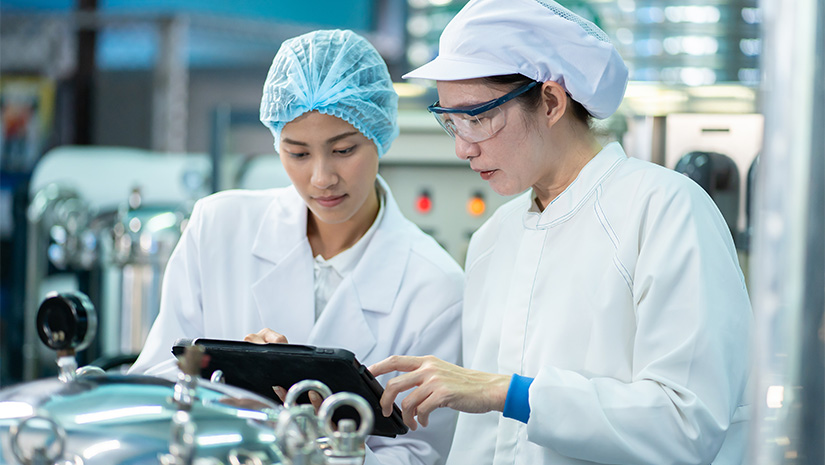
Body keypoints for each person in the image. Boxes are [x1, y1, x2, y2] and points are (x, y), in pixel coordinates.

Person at [368, 1, 753, 464]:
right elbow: (484, 441)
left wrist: (509, 392)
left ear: (551, 102)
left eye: (476, 118)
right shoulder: (494, 238)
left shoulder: (664, 209)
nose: (461, 147)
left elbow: (686, 423)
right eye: (449, 120)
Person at [129, 29, 464, 465]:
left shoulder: (435, 288)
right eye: (298, 153)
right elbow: (156, 382)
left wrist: (331, 447)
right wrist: (231, 383)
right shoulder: (217, 229)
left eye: (344, 150)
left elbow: (424, 453)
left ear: (379, 134)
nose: (322, 178)